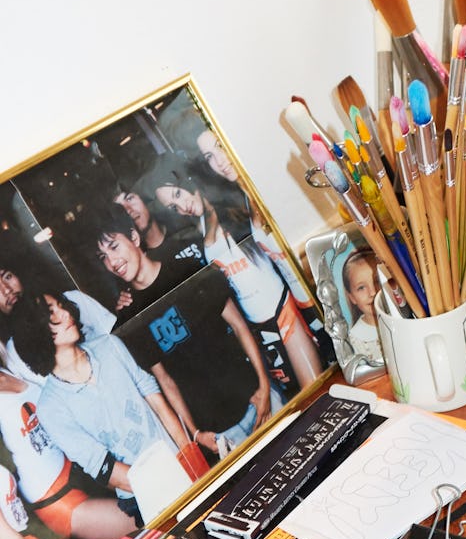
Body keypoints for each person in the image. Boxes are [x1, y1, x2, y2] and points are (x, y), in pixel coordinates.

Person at [89, 210, 273, 458]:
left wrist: (264, 386)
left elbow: (239, 326)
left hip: (257, 399)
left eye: (114, 247)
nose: (112, 262)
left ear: (133, 236)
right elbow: (165, 380)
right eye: (103, 256)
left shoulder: (185, 270)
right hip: (218, 434)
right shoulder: (128, 319)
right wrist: (196, 433)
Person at [140, 155, 324, 393]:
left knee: (317, 390)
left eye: (178, 194)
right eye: (174, 207)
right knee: (299, 398)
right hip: (257, 327)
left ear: (187, 178)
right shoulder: (199, 226)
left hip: (282, 310)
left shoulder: (232, 201)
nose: (182, 206)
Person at [12, 292, 191, 520]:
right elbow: (103, 468)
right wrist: (168, 484)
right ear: (34, 332)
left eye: (62, 305)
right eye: (52, 313)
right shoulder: (51, 408)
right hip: (145, 496)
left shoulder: (109, 346)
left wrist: (189, 456)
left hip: (181, 464)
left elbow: (155, 400)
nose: (66, 313)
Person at [0, 367, 137, 539]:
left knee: (154, 499)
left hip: (79, 463)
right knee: (144, 525)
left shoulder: (11, 362)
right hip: (56, 499)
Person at [342, 249, 384, 364]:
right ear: (352, 297)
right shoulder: (355, 340)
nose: (372, 292)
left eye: (377, 281)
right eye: (361, 288)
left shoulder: (402, 320)